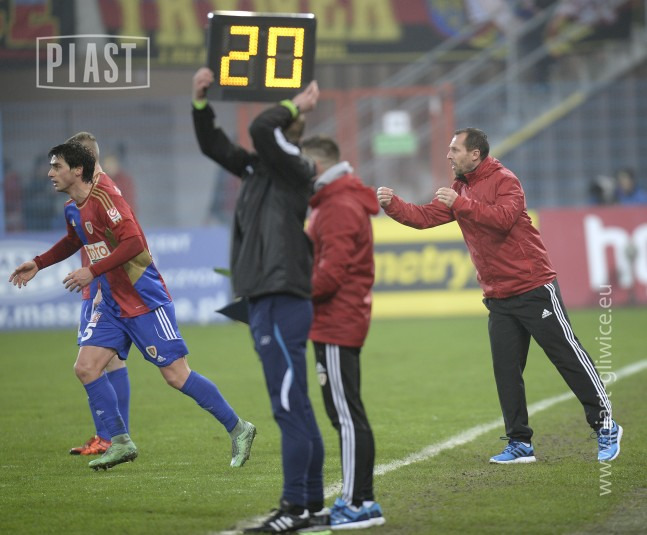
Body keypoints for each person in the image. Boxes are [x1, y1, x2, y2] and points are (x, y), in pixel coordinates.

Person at [377, 127, 622, 464]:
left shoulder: (505, 180)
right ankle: (520, 442)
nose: (448, 155)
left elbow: (504, 219)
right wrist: (393, 205)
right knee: (506, 371)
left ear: (474, 154)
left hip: (533, 286)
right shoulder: (461, 187)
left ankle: (606, 425)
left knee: (567, 356)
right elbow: (424, 218)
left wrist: (461, 204)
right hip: (499, 295)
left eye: (454, 150)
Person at [9, 141, 256, 471]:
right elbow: (74, 239)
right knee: (86, 367)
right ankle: (121, 442)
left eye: (56, 166)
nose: (49, 173)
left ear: (77, 170)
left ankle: (239, 428)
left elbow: (135, 243)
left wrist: (92, 271)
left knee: (176, 376)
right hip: (112, 302)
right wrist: (39, 263)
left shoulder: (105, 197)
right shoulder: (73, 207)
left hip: (144, 299)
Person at [192, 67, 325, 533]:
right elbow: (214, 145)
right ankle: (309, 507)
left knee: (289, 405)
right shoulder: (257, 169)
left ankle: (295, 508)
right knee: (295, 404)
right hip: (266, 295)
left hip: (282, 295)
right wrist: (201, 102)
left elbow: (260, 128)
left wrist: (295, 105)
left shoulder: (296, 168)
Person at [301, 135, 385, 529]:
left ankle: (355, 503)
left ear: (316, 166)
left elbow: (329, 276)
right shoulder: (336, 200)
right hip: (337, 319)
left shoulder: (337, 205)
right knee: (347, 413)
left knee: (346, 417)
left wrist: (291, 292)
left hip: (336, 320)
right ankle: (362, 501)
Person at [64, 132, 131, 456]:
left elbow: (121, 242)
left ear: (81, 163)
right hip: (98, 282)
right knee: (109, 363)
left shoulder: (101, 192)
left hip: (100, 284)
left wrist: (103, 286)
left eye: (63, 163)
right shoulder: (90, 191)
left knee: (94, 364)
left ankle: (112, 438)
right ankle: (114, 437)